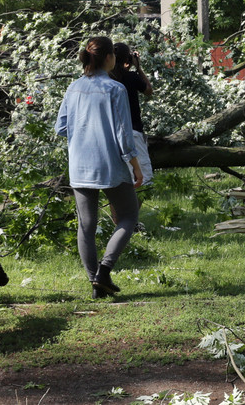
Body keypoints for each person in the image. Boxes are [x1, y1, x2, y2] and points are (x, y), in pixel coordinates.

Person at [54, 36, 144, 299]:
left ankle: (96, 284)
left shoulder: (73, 88)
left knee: (86, 226)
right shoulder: (115, 89)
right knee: (129, 217)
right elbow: (123, 135)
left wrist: (84, 126)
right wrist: (135, 166)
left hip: (80, 166)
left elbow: (61, 127)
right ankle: (103, 272)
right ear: (108, 58)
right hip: (109, 164)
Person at [111, 42, 154, 189]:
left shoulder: (107, 79)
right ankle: (132, 212)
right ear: (126, 59)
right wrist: (138, 68)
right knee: (144, 179)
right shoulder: (131, 77)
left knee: (120, 180)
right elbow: (148, 90)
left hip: (112, 134)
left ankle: (124, 211)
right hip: (133, 131)